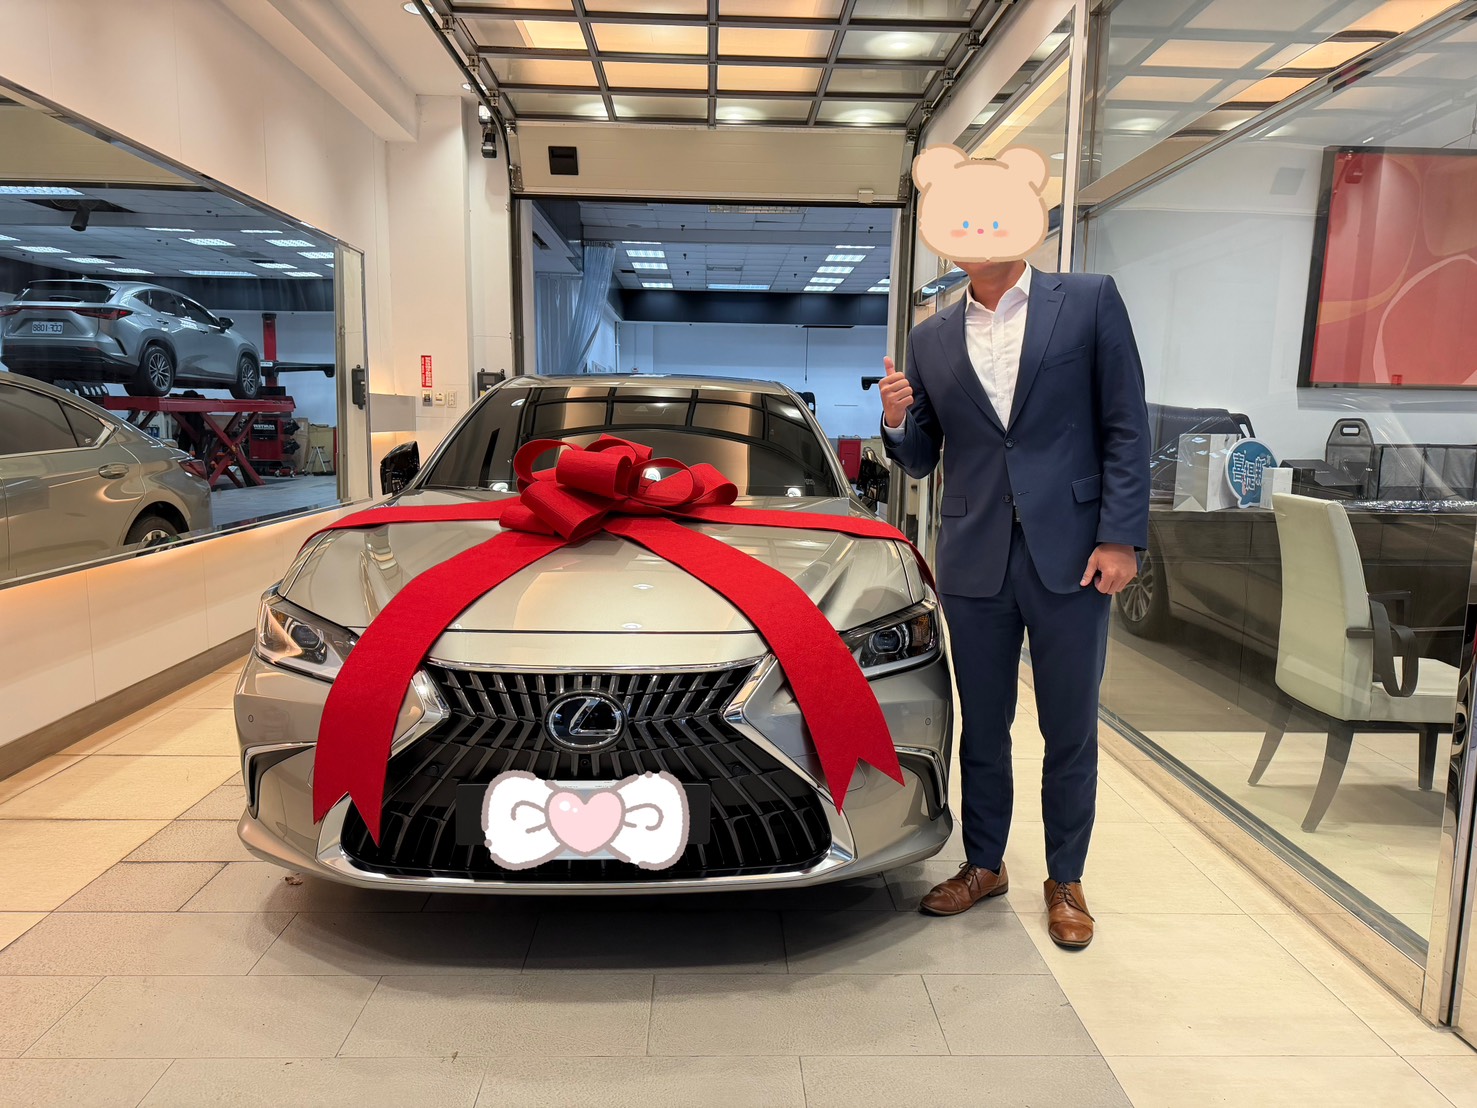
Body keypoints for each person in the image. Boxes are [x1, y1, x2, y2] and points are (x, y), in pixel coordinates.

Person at [880, 256, 1149, 949]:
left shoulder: (1088, 300)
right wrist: (895, 420)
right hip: (975, 556)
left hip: (1075, 552)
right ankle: (983, 863)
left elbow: (1124, 424)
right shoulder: (931, 336)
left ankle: (1066, 878)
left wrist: (1120, 537)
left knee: (1069, 726)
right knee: (982, 723)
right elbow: (922, 456)